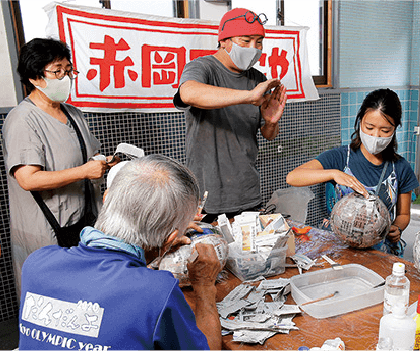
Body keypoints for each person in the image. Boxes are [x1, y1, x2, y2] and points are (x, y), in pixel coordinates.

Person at [18, 155, 221, 350]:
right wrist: (204, 287)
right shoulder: (157, 291)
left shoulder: (36, 263)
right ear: (170, 238)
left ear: (107, 199)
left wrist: (157, 244)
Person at [2, 38, 116, 296]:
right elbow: (28, 179)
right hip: (46, 230)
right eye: (57, 71)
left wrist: (106, 161)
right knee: (52, 302)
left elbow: (89, 153)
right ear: (34, 77)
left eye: (68, 70)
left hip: (83, 223)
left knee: (85, 299)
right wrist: (85, 171)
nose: (65, 77)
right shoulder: (22, 119)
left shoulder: (73, 113)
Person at [174, 7, 287, 223]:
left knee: (249, 255)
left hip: (248, 194)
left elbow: (268, 135)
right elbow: (188, 93)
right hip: (206, 197)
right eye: (245, 41)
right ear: (224, 41)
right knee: (208, 255)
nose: (253, 48)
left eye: (259, 42)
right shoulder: (203, 67)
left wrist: (272, 122)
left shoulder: (257, 78)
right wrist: (247, 96)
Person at [286, 89, 419, 256]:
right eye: (369, 127)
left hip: (379, 253)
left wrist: (397, 228)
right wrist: (334, 173)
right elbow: (293, 177)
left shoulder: (400, 167)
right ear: (359, 121)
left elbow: (404, 214)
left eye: (385, 131)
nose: (375, 136)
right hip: (338, 250)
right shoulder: (340, 157)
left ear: (395, 128)